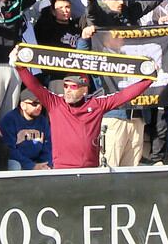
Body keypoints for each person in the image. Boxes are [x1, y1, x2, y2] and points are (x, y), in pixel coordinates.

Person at [11, 65, 157, 170]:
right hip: (63, 172)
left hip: (90, 171)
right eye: (65, 86)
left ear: (84, 89)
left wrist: (149, 79)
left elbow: (123, 96)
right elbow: (34, 85)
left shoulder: (96, 105)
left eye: (73, 87)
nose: (67, 90)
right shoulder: (55, 103)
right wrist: (20, 67)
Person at [0, 94, 52, 169]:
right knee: (15, 166)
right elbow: (9, 150)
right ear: (23, 105)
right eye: (34, 104)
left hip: (35, 162)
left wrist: (44, 164)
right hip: (11, 161)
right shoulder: (9, 120)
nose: (39, 107)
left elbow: (48, 147)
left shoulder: (43, 121)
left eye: (41, 103)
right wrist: (32, 166)